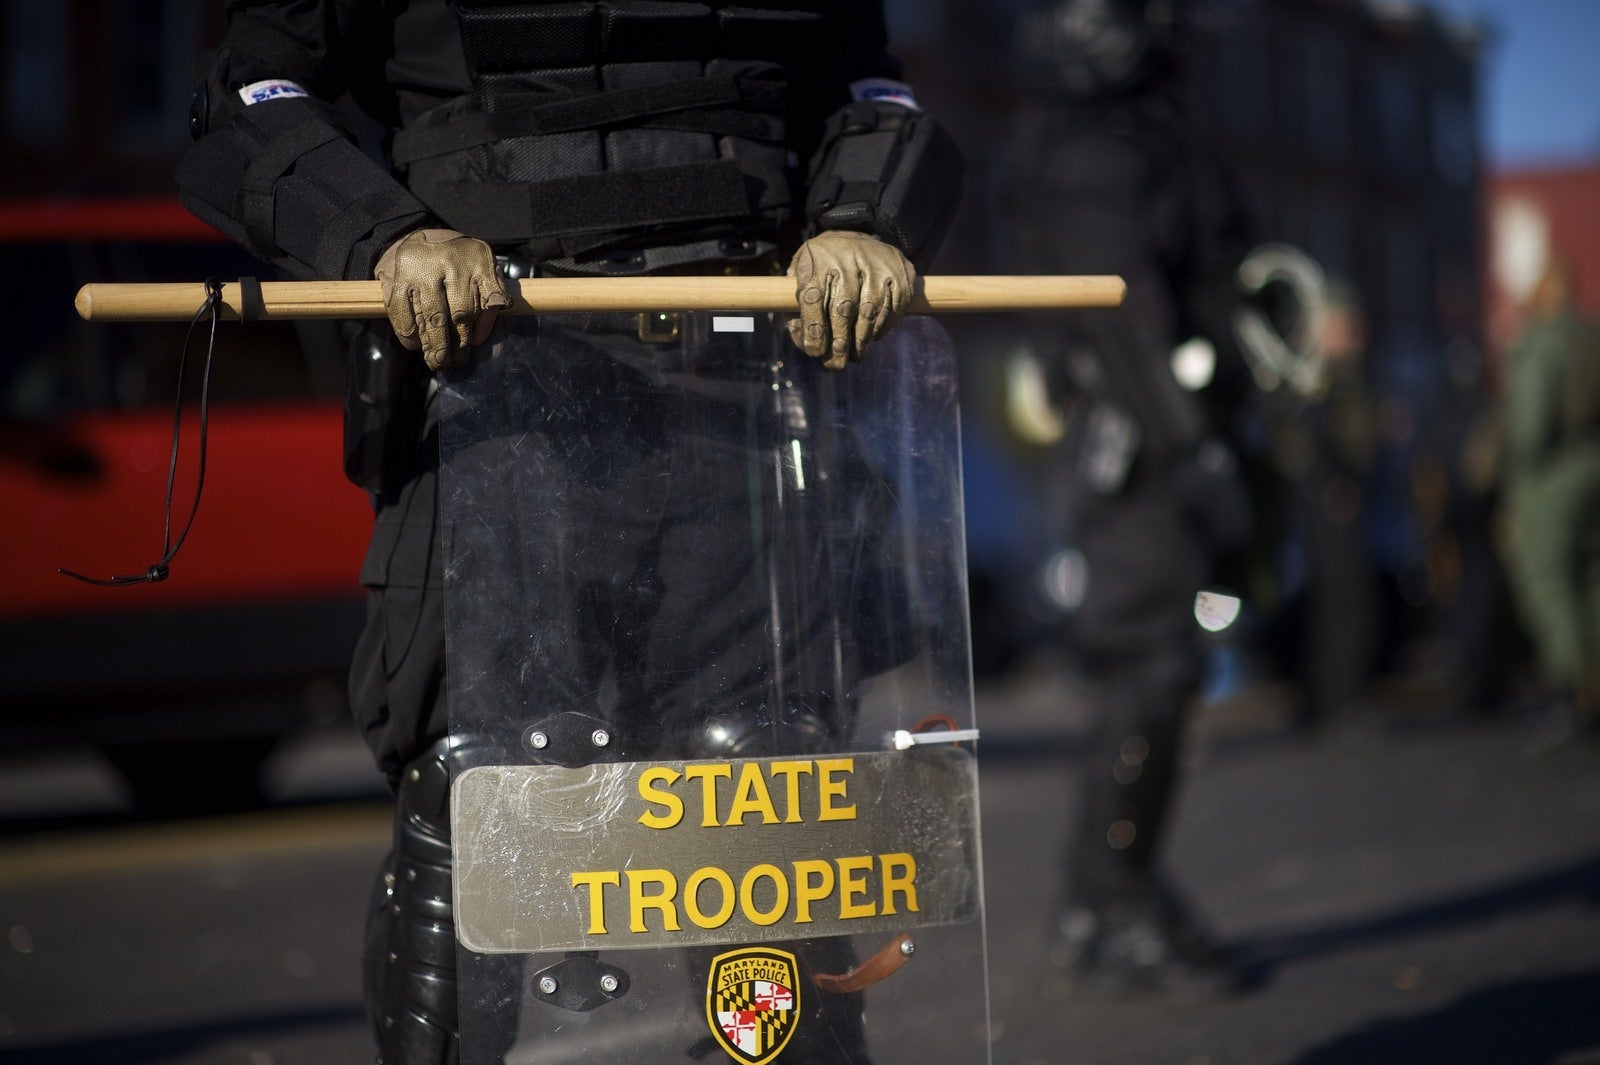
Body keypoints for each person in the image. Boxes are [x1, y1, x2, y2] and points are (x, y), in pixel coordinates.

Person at [177, 3, 963, 1061]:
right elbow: (247, 95)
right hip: (492, 391)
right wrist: (385, 234)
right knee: (476, 797)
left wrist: (864, 216)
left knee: (763, 795)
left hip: (740, 398)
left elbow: (870, 92)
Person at [1000, 0, 1252, 995]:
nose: (1175, 28)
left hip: (1158, 438)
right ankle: (1112, 902)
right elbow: (1121, 316)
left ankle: (1106, 893)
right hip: (1139, 448)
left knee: (1158, 666)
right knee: (1152, 661)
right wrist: (1194, 448)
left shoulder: (1124, 138)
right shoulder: (1092, 152)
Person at [1266, 280, 1382, 729]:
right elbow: (1310, 443)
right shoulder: (1316, 380)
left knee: (1342, 601)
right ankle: (1336, 698)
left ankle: (1336, 696)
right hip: (1329, 501)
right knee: (1340, 602)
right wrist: (1330, 483)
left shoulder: (1334, 375)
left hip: (1336, 496)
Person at [1500, 257, 1600, 740]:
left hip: (1552, 477)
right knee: (1591, 582)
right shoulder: (1590, 337)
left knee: (1548, 585)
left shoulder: (1542, 343)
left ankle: (1568, 689)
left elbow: (1530, 428)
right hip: (1592, 465)